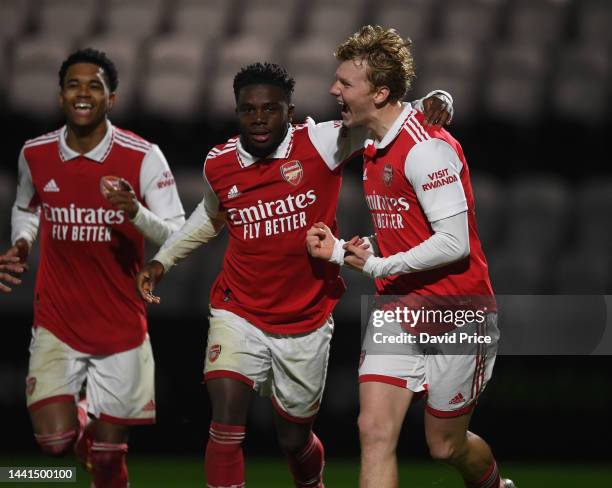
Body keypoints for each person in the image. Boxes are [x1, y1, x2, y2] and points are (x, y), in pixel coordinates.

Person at [136, 62, 451, 488]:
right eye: (248, 110)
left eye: (271, 108)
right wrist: (163, 261)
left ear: (291, 109)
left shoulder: (322, 142)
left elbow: (386, 119)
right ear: (236, 111)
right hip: (238, 309)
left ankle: (309, 480)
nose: (259, 118)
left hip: (306, 320)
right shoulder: (220, 163)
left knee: (293, 438)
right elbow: (211, 217)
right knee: (225, 420)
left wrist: (435, 102)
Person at [306, 26, 515, 488]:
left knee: (445, 446)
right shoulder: (371, 140)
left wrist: (376, 265)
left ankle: (496, 485)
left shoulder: (426, 149)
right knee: (374, 431)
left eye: (345, 83)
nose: (333, 90)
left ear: (380, 93)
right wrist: (355, 250)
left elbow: (453, 243)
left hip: (458, 312)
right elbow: (404, 233)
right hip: (398, 308)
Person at [2, 48, 185, 488]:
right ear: (61, 95)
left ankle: (96, 429)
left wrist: (135, 213)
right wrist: (23, 242)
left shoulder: (142, 156)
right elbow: (26, 207)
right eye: (73, 84)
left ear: (112, 98)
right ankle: (83, 419)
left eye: (95, 85)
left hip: (120, 323)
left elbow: (179, 233)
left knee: (107, 459)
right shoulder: (35, 153)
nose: (83, 93)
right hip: (57, 321)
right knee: (55, 444)